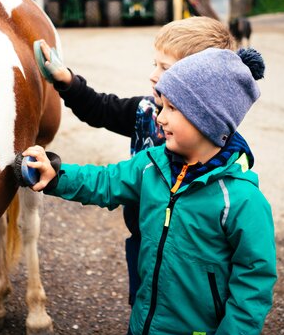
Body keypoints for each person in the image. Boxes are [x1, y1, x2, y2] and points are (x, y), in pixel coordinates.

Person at [22, 47, 277, 335]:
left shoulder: (242, 201)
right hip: (142, 325)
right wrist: (57, 175)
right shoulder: (152, 164)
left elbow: (254, 285)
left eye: (172, 108)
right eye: (162, 107)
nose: (160, 118)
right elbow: (105, 181)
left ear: (207, 120)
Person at [37, 16, 241, 307]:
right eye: (154, 64)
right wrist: (66, 80)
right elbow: (100, 109)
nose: (154, 75)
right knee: (145, 305)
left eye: (165, 68)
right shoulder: (145, 111)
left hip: (191, 259)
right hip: (144, 241)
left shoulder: (216, 145)